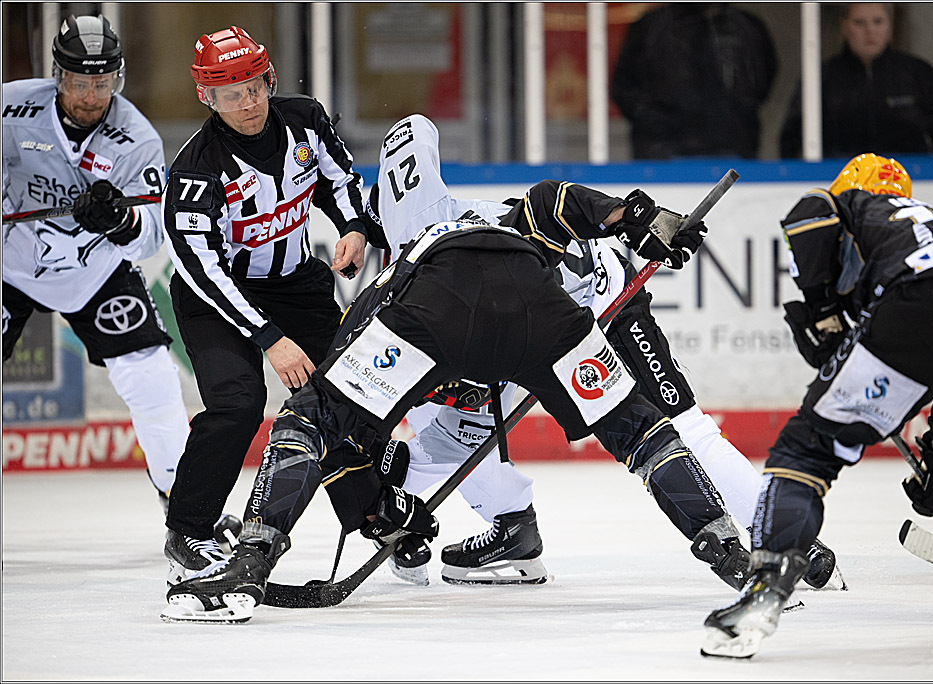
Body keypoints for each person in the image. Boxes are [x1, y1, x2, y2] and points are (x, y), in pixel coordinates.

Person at [161, 158, 757, 623]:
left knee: (306, 419)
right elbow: (563, 199)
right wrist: (644, 220)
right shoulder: (509, 214)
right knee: (642, 430)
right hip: (540, 313)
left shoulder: (406, 260)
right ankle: (733, 552)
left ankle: (248, 566)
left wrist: (373, 496)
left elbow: (342, 413)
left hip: (435, 310)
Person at [365, 114, 845, 592]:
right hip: (538, 323)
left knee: (682, 426)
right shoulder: (426, 239)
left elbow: (553, 201)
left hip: (604, 301)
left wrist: (637, 218)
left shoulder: (437, 249)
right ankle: (509, 528)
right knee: (445, 422)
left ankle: (789, 537)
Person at [701, 153, 933, 658]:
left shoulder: (854, 205)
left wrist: (823, 312)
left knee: (807, 448)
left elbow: (810, 211)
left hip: (919, 300)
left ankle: (766, 588)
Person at [160, 26, 368, 587]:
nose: (249, 103)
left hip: (297, 283)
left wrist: (352, 226)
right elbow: (200, 271)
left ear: (268, 79)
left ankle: (375, 515)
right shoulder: (195, 172)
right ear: (208, 97)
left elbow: (338, 179)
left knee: (347, 392)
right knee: (238, 401)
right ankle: (189, 526)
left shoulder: (304, 118)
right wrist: (270, 338)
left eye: (256, 87)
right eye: (233, 94)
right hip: (219, 299)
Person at [2, 15, 188, 513]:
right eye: (79, 82)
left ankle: (184, 501)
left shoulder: (138, 139)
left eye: (101, 83)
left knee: (152, 374)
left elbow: (150, 235)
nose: (90, 95)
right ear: (58, 76)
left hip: (94, 274)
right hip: (10, 263)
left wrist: (119, 222)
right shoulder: (11, 106)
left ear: (117, 79)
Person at [779, 3, 933, 159]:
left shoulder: (918, 73)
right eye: (859, 23)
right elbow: (791, 140)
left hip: (906, 184)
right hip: (842, 186)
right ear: (844, 26)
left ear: (889, 26)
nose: (870, 31)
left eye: (878, 22)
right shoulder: (822, 77)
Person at [611, 3, 777, 159]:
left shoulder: (746, 27)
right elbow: (623, 85)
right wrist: (653, 121)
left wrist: (740, 112)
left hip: (734, 148)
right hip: (661, 155)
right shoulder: (651, 26)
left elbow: (763, 77)